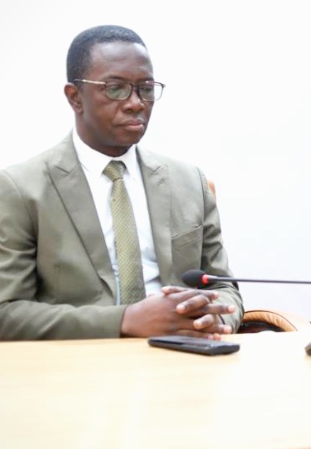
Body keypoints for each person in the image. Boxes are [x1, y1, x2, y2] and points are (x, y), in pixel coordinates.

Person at [0, 25, 243, 340]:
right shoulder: (21, 190)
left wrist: (215, 317)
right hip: (80, 360)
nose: (136, 103)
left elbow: (223, 286)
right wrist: (123, 320)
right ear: (75, 98)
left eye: (146, 88)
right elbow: (7, 313)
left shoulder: (189, 183)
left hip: (184, 355)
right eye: (116, 89)